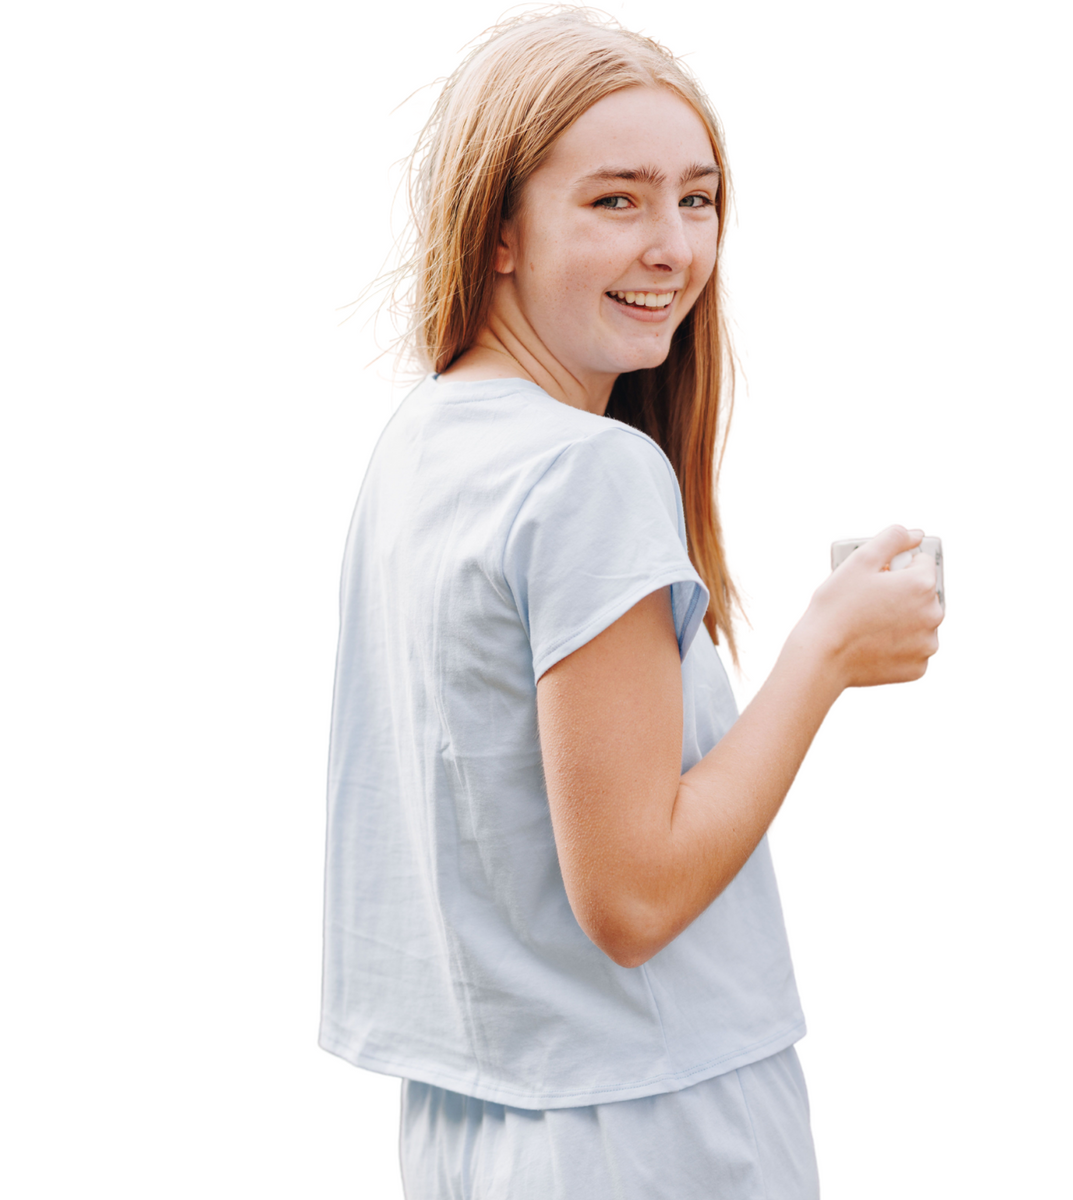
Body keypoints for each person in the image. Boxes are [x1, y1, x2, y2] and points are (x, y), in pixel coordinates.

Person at [321, 9, 943, 1197]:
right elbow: (634, 895)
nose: (672, 247)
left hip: (479, 1126)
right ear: (499, 231)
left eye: (696, 200)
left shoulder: (423, 443)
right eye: (616, 200)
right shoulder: (587, 472)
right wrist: (825, 653)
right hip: (651, 1130)